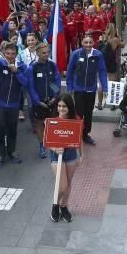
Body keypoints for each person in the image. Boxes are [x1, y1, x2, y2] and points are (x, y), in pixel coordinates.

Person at [0, 41, 29, 168]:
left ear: (16, 54)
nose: (10, 56)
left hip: (14, 105)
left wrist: (16, 72)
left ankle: (12, 151)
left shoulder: (22, 67)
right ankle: (0, 154)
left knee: (12, 130)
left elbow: (25, 83)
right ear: (3, 53)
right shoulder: (0, 64)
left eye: (13, 53)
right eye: (7, 53)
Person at [66, 35, 108, 146]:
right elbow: (69, 71)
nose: (88, 45)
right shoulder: (76, 54)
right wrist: (70, 86)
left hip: (91, 89)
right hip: (78, 89)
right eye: (86, 42)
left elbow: (102, 71)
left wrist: (105, 87)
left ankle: (85, 134)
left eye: (90, 42)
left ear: (93, 42)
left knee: (88, 113)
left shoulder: (98, 55)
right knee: (79, 113)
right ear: (82, 43)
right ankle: (77, 134)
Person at [47, 94, 83, 223]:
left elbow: (79, 139)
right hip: (57, 155)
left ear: (70, 107)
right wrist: (55, 149)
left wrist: (82, 155)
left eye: (64, 106)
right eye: (59, 106)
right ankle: (55, 204)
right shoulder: (53, 120)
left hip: (71, 155)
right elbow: (48, 141)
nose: (61, 109)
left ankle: (64, 206)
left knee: (68, 184)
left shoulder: (75, 119)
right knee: (62, 186)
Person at [26, 43, 61, 159]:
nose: (46, 55)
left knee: (53, 123)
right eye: (44, 53)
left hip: (52, 101)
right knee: (40, 124)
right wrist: (37, 101)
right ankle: (42, 146)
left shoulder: (52, 65)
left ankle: (54, 143)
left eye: (48, 52)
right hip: (39, 102)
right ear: (37, 53)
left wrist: (55, 97)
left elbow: (56, 81)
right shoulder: (32, 67)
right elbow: (31, 86)